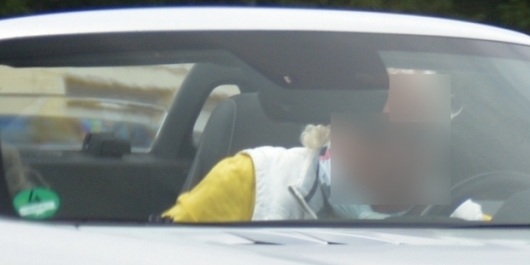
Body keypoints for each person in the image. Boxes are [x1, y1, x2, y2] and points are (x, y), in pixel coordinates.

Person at [162, 69, 482, 223]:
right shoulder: (250, 181)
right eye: (377, 134)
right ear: (332, 132)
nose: (399, 154)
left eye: (419, 136)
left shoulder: (467, 222)